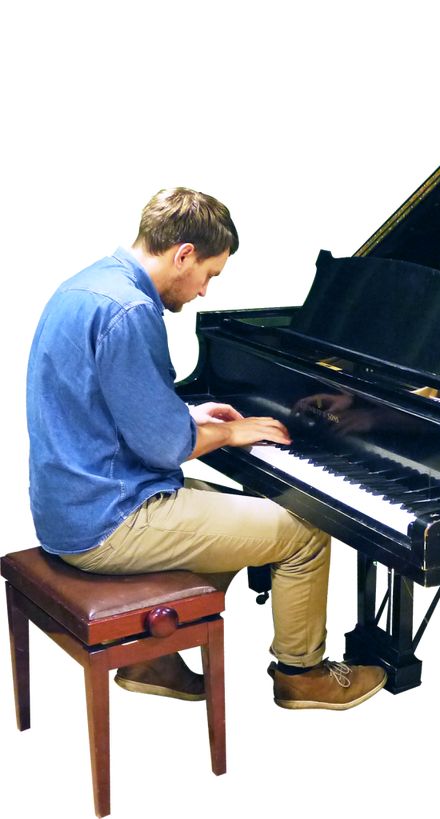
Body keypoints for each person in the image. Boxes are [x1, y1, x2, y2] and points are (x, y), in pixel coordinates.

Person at [26, 187, 386, 710]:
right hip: (108, 520)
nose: (203, 292)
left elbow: (104, 403)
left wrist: (190, 414)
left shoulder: (88, 286)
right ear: (184, 253)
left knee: (250, 513)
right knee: (308, 527)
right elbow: (165, 445)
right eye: (209, 275)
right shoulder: (130, 311)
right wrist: (227, 432)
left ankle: (154, 657)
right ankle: (301, 675)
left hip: (72, 504)